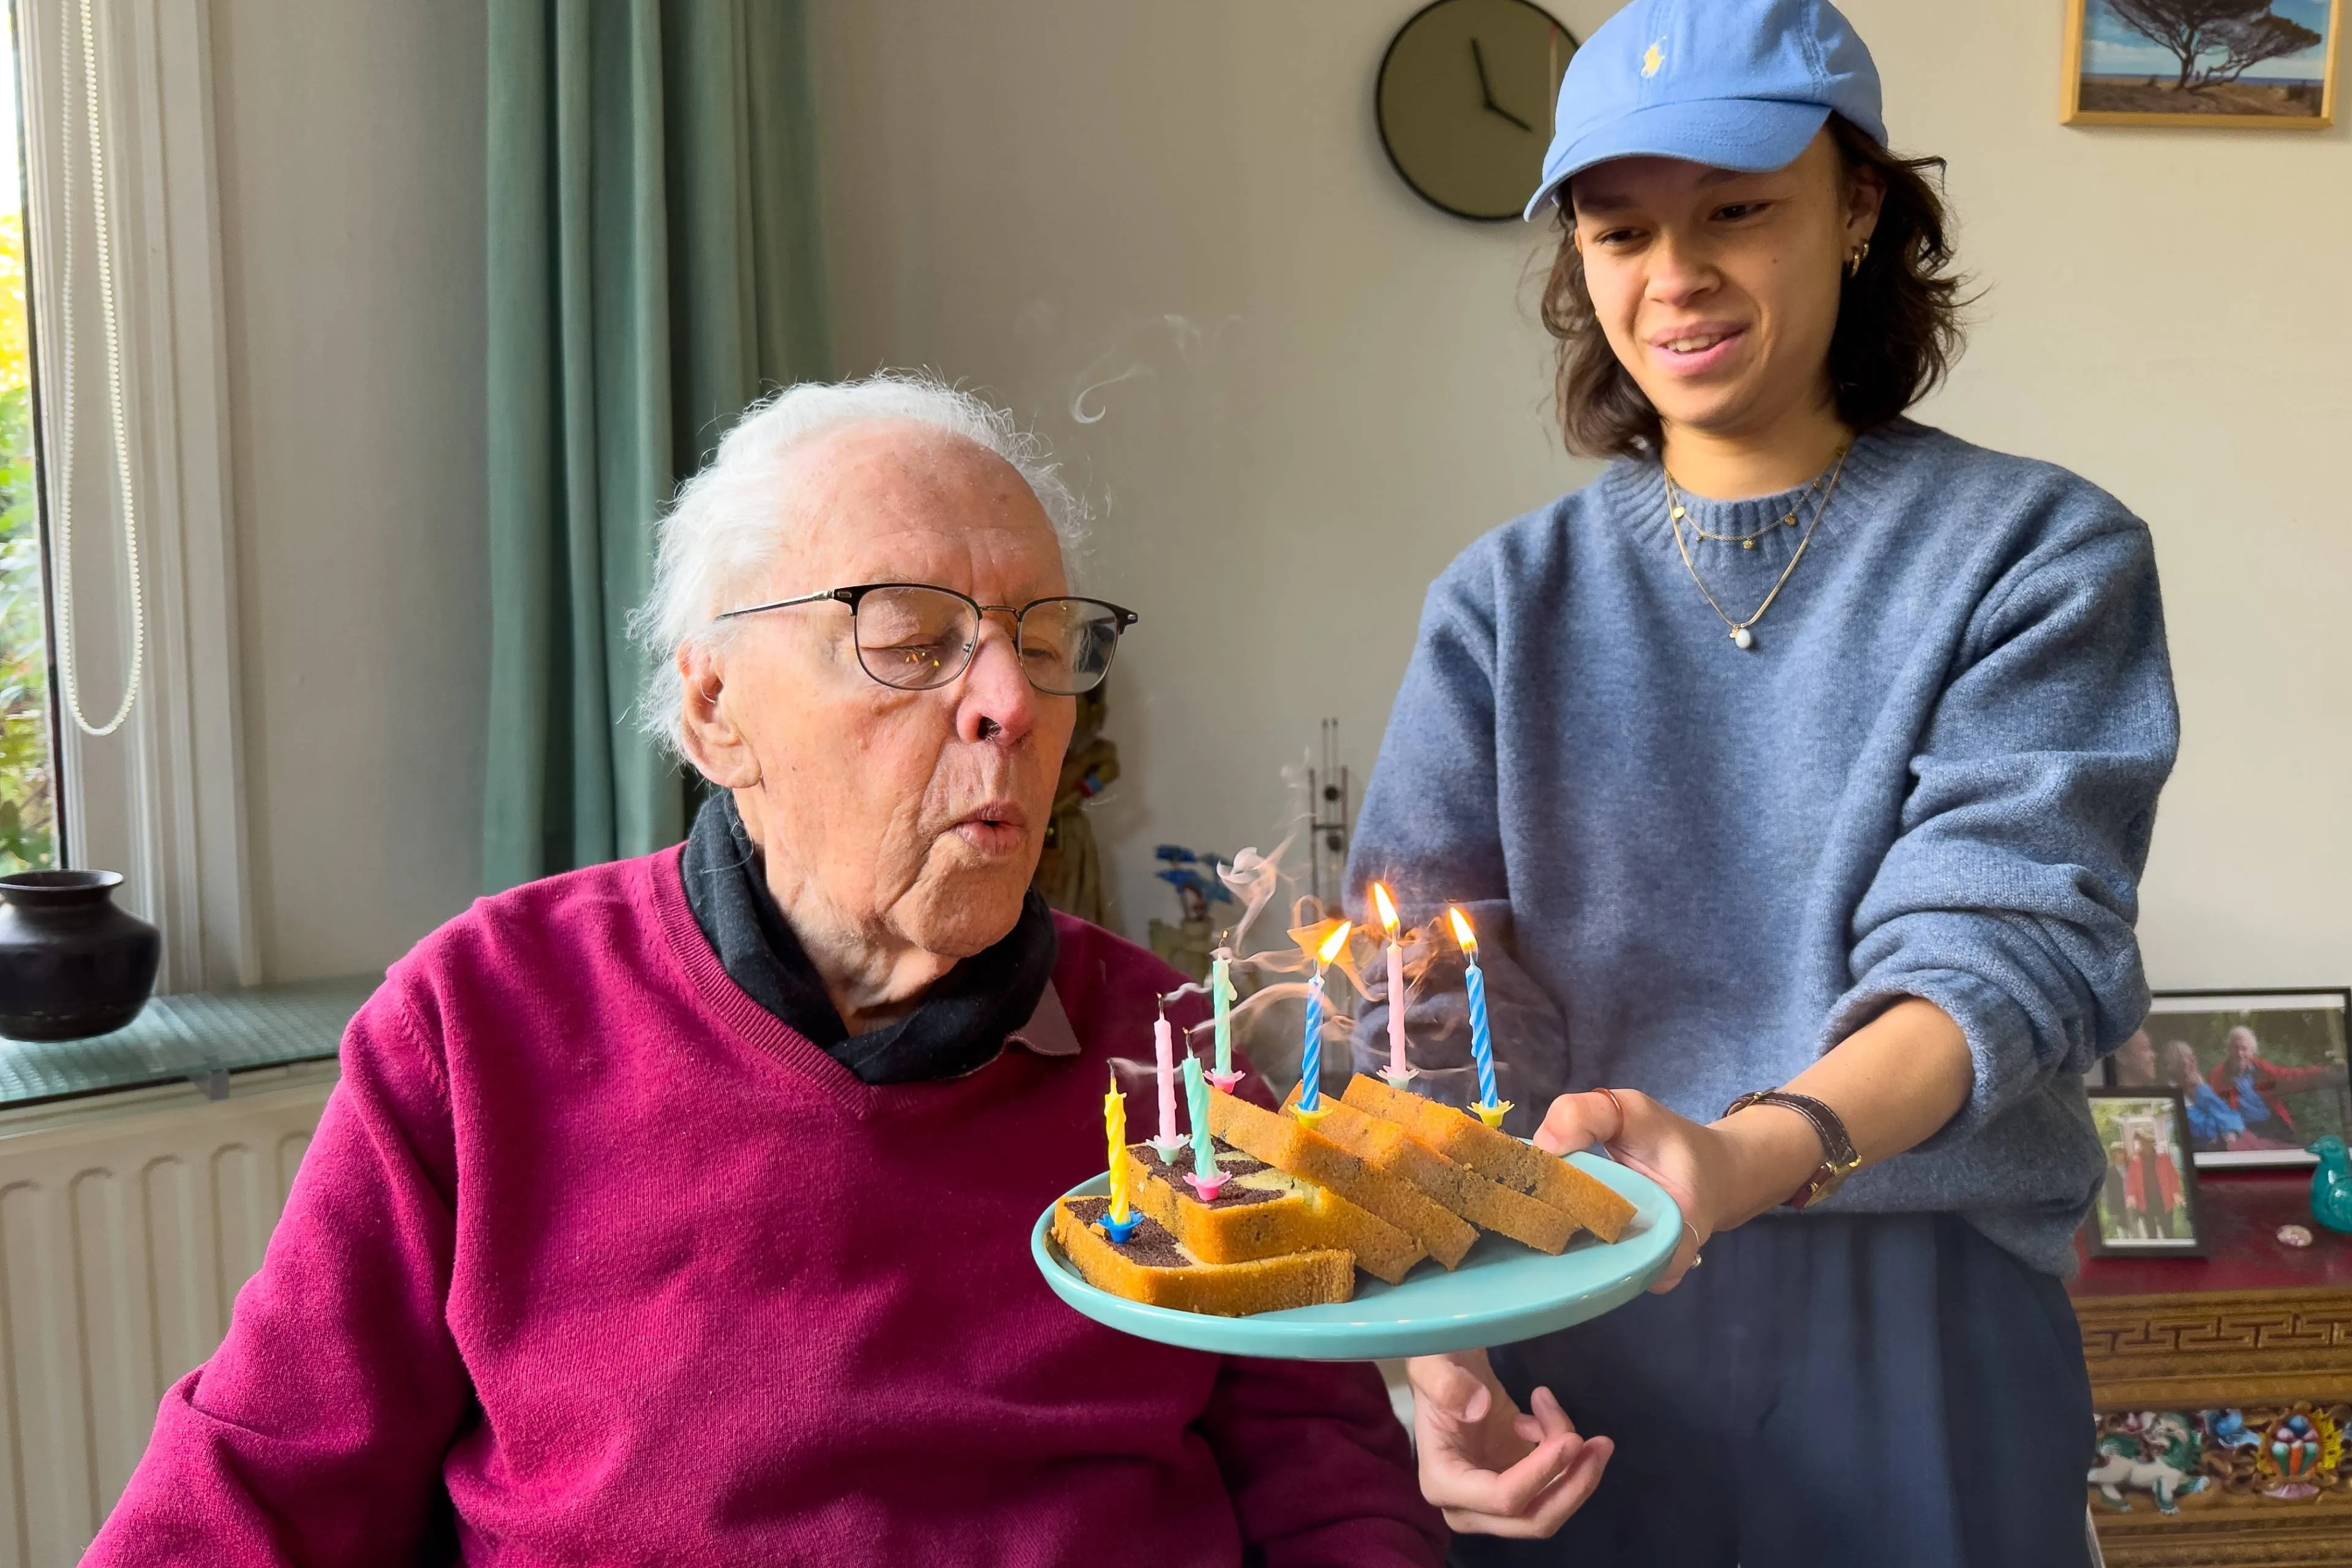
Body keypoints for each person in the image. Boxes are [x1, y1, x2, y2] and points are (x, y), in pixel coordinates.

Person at [86, 375, 1443, 1566]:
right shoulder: (481, 1020)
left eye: (1040, 640)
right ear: (714, 709)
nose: (1012, 702)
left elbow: (1331, 1483)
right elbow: (260, 1481)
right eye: (911, 637)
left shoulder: (1165, 1046)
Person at [1351, 1, 2176, 1562]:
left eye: (1736, 208)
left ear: (1859, 204)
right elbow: (1428, 1000)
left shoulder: (2035, 555)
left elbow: (1997, 949)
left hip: (1916, 1299)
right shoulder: (1503, 599)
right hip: (1569, 1288)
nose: (1676, 277)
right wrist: (1439, 1342)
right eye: (1618, 231)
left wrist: (1740, 1155)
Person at [2209, 1023, 2337, 1145]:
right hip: (2245, 1129)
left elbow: (2290, 1077)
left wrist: (2323, 1073)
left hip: (2272, 1123)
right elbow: (2212, 1107)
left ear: (2252, 1052)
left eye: (2244, 1049)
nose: (2240, 1054)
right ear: (2228, 1050)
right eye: (2235, 1048)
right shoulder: (2218, 1077)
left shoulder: (2262, 1070)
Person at [2165, 1037, 2245, 1150]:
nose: (2193, 1059)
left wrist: (2202, 1089)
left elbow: (2234, 1118)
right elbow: (2207, 1130)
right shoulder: (2170, 1098)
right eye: (2185, 1056)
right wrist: (2226, 1128)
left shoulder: (2200, 1090)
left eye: (2192, 1055)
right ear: (2172, 1065)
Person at [2127, 1127, 2179, 1238]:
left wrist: (2176, 1193)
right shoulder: (2134, 1161)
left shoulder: (2164, 1158)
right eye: (2141, 1141)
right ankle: (2156, 1254)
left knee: (2169, 1233)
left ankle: (2172, 1254)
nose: (2143, 1144)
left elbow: (2173, 1177)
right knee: (2151, 1235)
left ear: (2152, 1143)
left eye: (2146, 1141)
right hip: (2145, 1201)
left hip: (2163, 1199)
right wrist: (2131, 1195)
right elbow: (2131, 1181)